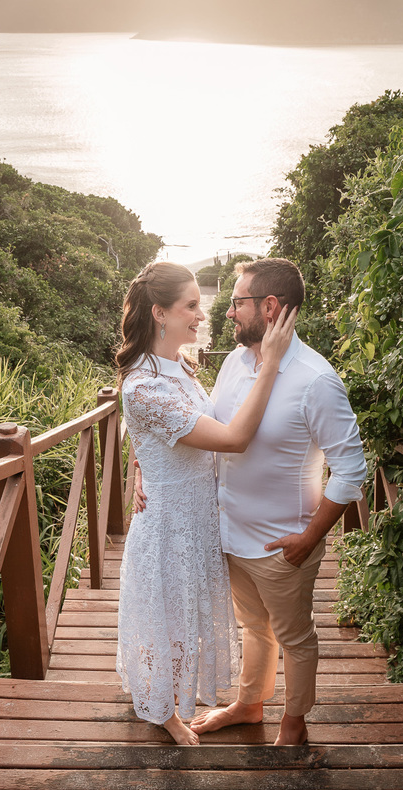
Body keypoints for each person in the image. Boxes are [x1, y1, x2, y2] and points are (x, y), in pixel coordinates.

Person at [138, 257, 366, 746]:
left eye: (236, 302)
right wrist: (143, 466)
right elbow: (200, 430)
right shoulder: (233, 363)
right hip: (228, 532)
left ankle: (294, 723)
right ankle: (249, 704)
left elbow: (351, 471)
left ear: (269, 306)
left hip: (284, 541)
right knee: (253, 628)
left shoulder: (315, 379)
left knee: (295, 638)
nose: (226, 313)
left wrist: (310, 537)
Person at [113, 261, 297, 746]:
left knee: (185, 614)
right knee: (168, 617)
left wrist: (139, 462)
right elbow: (233, 438)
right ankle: (164, 711)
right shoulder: (145, 384)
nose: (203, 314)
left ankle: (169, 698)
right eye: (191, 306)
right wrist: (273, 362)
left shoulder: (180, 366)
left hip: (199, 517)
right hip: (170, 524)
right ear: (160, 313)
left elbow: (155, 432)